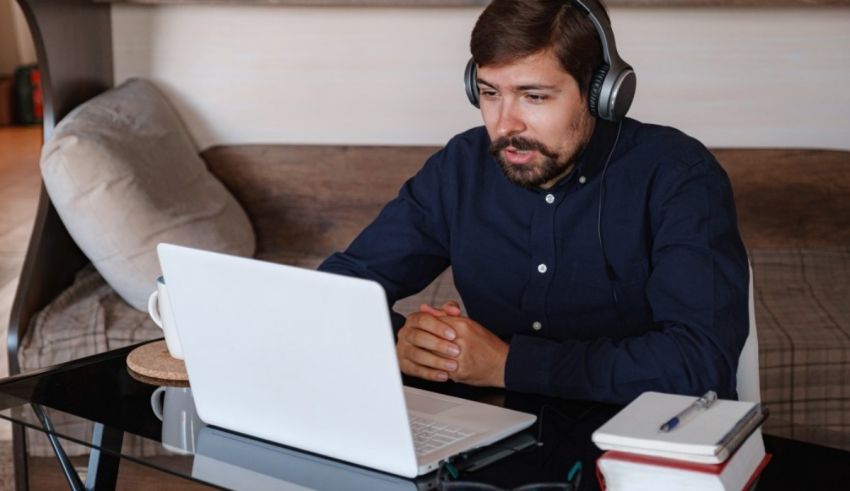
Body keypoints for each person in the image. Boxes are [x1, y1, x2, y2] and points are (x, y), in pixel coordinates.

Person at [319, 0, 748, 405]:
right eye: (490, 93)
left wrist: (508, 365)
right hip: (487, 438)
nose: (505, 124)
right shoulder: (462, 165)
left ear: (600, 93)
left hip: (640, 448)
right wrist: (399, 344)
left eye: (534, 96)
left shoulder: (678, 174)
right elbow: (338, 287)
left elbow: (702, 364)